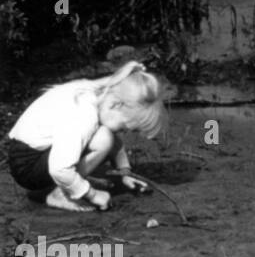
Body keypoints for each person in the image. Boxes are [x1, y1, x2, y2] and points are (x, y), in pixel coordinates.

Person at [7, 60, 166, 211]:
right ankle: (61, 195)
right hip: (27, 166)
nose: (124, 133)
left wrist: (125, 173)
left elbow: (115, 142)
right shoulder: (84, 116)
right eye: (124, 127)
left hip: (27, 153)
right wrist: (92, 194)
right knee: (104, 139)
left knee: (105, 135)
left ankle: (69, 186)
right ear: (115, 105)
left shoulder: (93, 92)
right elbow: (59, 169)